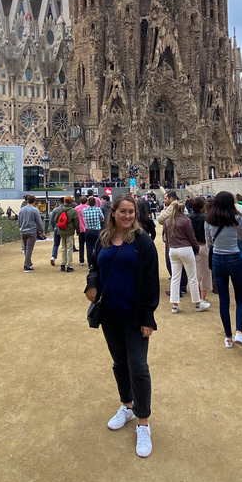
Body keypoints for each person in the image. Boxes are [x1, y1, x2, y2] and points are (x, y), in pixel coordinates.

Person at [85, 194, 160, 458]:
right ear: (113, 212)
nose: (128, 216)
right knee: (119, 362)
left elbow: (151, 280)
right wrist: (92, 282)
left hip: (134, 315)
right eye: (123, 212)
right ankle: (127, 406)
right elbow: (95, 265)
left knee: (139, 367)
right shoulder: (103, 239)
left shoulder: (143, 242)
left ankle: (142, 422)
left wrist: (148, 317)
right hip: (110, 314)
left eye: (132, 212)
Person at [206, 191, 242, 351]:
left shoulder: (209, 220)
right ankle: (239, 332)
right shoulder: (237, 218)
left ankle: (228, 337)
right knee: (240, 299)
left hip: (217, 259)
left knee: (224, 300)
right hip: (234, 257)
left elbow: (208, 244)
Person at [163, 200, 210, 314]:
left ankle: (175, 305)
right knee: (192, 277)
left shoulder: (168, 221)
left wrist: (169, 247)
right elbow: (191, 236)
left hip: (172, 249)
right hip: (185, 248)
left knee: (175, 277)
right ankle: (197, 303)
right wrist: (196, 247)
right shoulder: (185, 221)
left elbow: (165, 236)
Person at [157, 190, 187, 298]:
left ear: (171, 199)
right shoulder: (182, 206)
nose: (164, 200)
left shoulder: (172, 207)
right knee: (182, 265)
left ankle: (177, 289)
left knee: (171, 264)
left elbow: (160, 219)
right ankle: (182, 286)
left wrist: (163, 211)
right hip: (183, 239)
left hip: (172, 239)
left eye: (166, 198)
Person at [188, 196, 212, 302]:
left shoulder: (189, 218)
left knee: (195, 273)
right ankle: (203, 297)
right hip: (203, 246)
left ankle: (197, 295)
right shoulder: (206, 217)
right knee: (205, 274)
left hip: (192, 247)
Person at [17, 194, 45, 272]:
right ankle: (26, 266)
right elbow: (39, 221)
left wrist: (20, 228)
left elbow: (19, 220)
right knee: (29, 249)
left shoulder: (22, 210)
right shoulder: (34, 210)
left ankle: (28, 262)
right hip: (31, 231)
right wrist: (41, 231)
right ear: (34, 201)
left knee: (26, 248)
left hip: (23, 230)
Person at [56, 194, 80, 272]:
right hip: (70, 230)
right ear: (71, 202)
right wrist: (78, 230)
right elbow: (76, 222)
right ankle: (68, 265)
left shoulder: (60, 210)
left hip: (61, 230)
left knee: (63, 247)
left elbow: (56, 219)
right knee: (69, 248)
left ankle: (62, 263)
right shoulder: (73, 211)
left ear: (64, 201)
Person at [82, 196, 105, 266]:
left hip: (88, 230)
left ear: (88, 203)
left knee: (89, 248)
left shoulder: (85, 211)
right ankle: (96, 262)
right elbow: (102, 218)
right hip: (96, 230)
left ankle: (90, 264)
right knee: (97, 247)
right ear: (95, 203)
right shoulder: (98, 210)